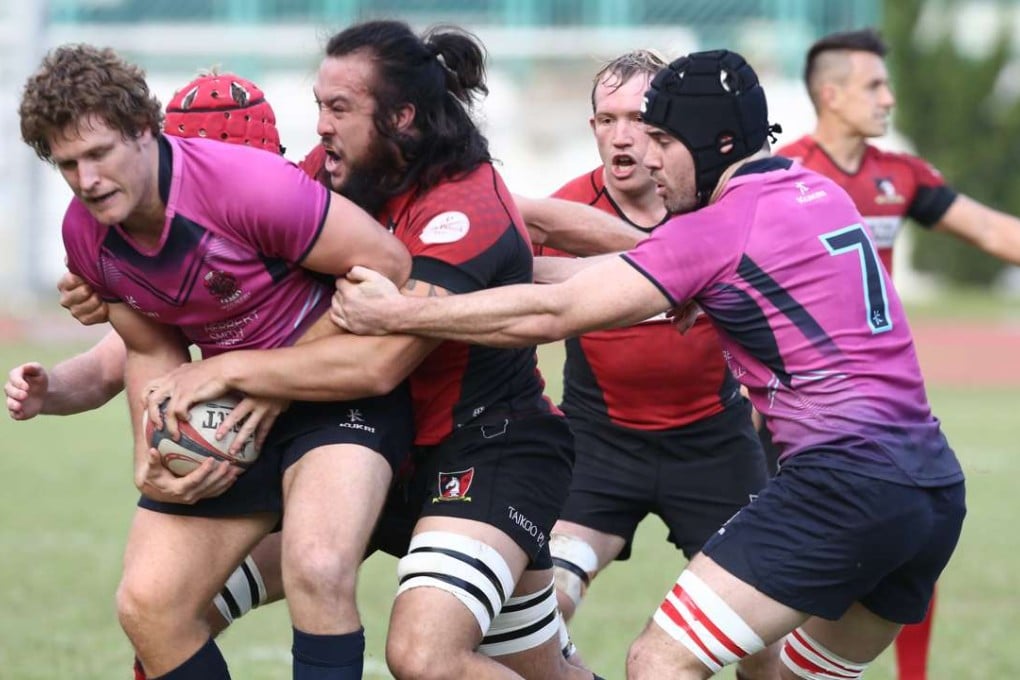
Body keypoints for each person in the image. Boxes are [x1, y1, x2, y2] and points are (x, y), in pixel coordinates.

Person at [329, 48, 967, 679]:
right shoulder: (814, 191)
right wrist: (449, 276)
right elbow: (598, 274)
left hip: (843, 483)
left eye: (661, 137)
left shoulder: (717, 229)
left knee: (659, 661)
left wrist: (399, 313)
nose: (647, 155)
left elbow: (553, 314)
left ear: (715, 142)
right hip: (932, 491)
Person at [133, 21, 594, 680]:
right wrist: (115, 291)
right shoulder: (332, 172)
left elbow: (380, 362)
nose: (321, 126)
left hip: (484, 451)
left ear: (402, 117)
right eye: (319, 105)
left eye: (340, 108)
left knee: (429, 658)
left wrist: (238, 373)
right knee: (169, 609)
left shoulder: (464, 208)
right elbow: (228, 276)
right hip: (363, 445)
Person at [19, 45, 414, 680]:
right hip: (228, 408)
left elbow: (389, 266)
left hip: (337, 395)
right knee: (149, 606)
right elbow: (150, 346)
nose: (86, 179)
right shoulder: (84, 233)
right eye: (68, 164)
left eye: (99, 154)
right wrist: (153, 451)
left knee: (317, 567)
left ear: (143, 130)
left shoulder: (247, 186)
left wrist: (269, 379)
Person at [775, 28, 1020, 680]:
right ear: (831, 94)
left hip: (882, 400)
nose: (888, 98)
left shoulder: (899, 175)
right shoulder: (783, 175)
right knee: (792, 555)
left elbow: (990, 229)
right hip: (797, 401)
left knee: (915, 537)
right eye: (874, 85)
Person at [533, 50, 772, 678]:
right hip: (598, 447)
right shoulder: (562, 214)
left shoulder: (716, 205)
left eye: (638, 119)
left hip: (716, 447)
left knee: (762, 643)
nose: (621, 136)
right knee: (541, 607)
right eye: (605, 120)